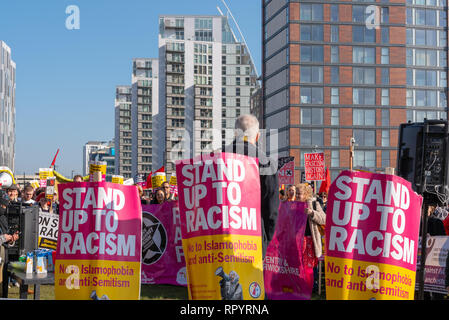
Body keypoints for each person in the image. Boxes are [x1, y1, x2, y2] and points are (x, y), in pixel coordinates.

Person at [223, 114, 279, 258]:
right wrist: (266, 237)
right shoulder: (265, 162)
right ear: (258, 136)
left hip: (220, 236)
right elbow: (271, 208)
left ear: (235, 133)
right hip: (253, 236)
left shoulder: (216, 157)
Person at [296, 183, 326, 296]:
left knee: (308, 269)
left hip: (309, 242)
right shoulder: (293, 205)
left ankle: (308, 290)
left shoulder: (313, 203)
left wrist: (312, 213)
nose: (298, 196)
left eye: (300, 194)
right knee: (298, 267)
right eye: (297, 194)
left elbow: (324, 219)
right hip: (297, 241)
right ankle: (300, 289)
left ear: (306, 194)